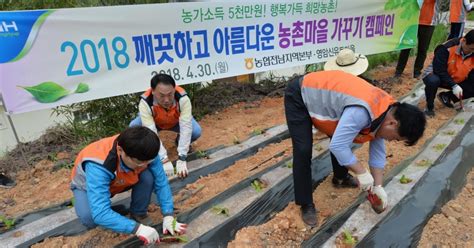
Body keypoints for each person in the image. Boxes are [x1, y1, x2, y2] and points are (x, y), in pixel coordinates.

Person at [284, 70, 426, 226]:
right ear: (393, 124)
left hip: (332, 103)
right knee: (303, 149)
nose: (392, 141)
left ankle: (341, 178)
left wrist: (378, 187)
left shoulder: (387, 112)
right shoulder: (362, 112)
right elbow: (338, 146)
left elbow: (377, 153)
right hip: (302, 94)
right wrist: (361, 172)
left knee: (341, 135)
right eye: (396, 138)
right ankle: (306, 204)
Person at [70, 126, 187, 245]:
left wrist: (168, 214)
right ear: (120, 150)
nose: (144, 165)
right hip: (87, 186)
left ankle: (138, 212)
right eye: (139, 162)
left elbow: (161, 182)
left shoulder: (146, 150)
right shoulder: (99, 165)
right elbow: (100, 214)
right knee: (89, 218)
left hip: (122, 179)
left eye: (148, 161)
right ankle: (83, 200)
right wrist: (137, 229)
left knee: (148, 176)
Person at [130, 73, 202, 178]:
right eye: (162, 96)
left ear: (174, 89)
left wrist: (182, 157)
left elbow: (186, 127)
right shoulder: (145, 102)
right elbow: (151, 131)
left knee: (195, 131)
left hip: (175, 121)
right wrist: (163, 159)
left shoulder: (183, 98)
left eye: (170, 94)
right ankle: (146, 154)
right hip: (155, 123)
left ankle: (179, 141)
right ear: (153, 91)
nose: (167, 100)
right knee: (134, 127)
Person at [422, 29, 474, 117]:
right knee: (433, 81)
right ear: (464, 41)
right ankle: (429, 107)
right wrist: (454, 85)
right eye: (471, 48)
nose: (472, 51)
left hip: (457, 79)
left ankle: (447, 96)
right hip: (438, 75)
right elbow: (439, 70)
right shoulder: (446, 48)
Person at [394, 0, 439, 79]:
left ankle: (417, 72)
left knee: (423, 49)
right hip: (412, 20)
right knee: (406, 47)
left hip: (429, 22)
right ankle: (399, 71)